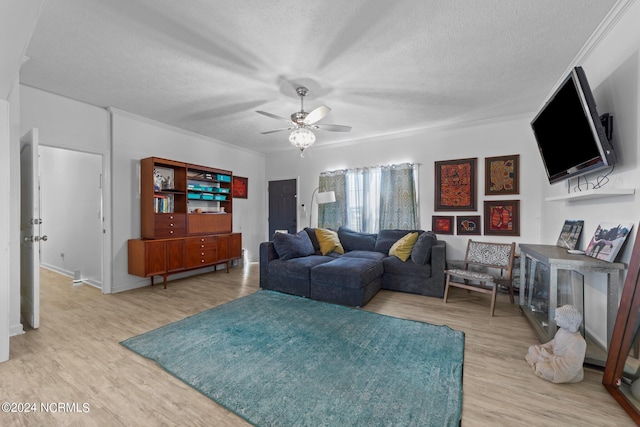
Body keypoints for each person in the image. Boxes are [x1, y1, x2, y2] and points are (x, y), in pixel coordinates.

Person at [525, 304, 587, 383]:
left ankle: (539, 363)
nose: (555, 318)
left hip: (562, 368)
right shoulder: (561, 330)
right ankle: (539, 361)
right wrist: (542, 348)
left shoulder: (578, 341)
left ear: (569, 321)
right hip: (552, 357)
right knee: (532, 348)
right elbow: (553, 343)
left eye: (559, 317)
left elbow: (571, 365)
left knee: (542, 367)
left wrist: (548, 357)